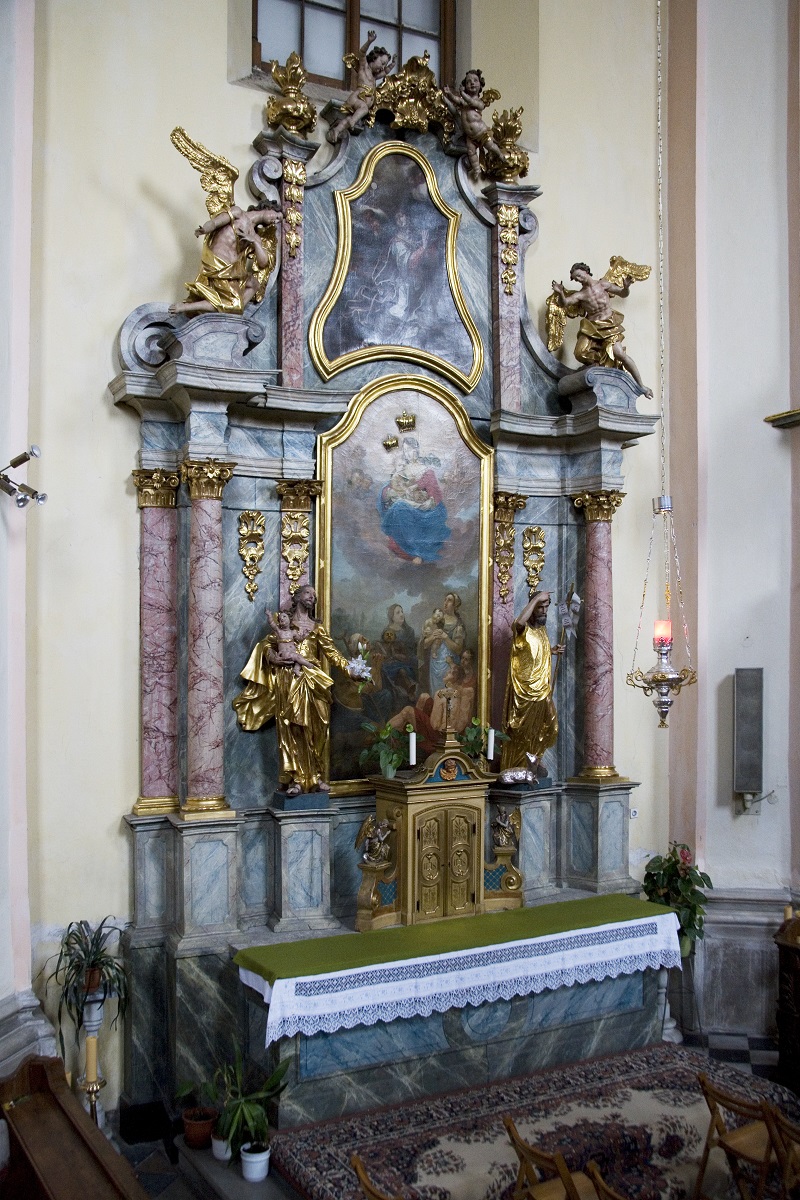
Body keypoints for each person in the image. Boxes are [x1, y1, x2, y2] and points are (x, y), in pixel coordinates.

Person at [233, 585, 360, 796]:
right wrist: (273, 657)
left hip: (313, 679)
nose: (312, 597)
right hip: (289, 679)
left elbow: (333, 654)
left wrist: (351, 671)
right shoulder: (284, 623)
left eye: (315, 595)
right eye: (308, 593)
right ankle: (296, 779)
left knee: (319, 727)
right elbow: (266, 646)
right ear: (298, 596)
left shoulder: (317, 628)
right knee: (292, 728)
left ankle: (316, 776)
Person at [550, 263, 653, 397]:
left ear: (586, 272)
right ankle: (600, 363)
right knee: (579, 353)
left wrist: (626, 287)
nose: (579, 280)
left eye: (579, 276)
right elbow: (564, 303)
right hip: (592, 327)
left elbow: (623, 294)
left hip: (608, 324)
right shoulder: (581, 294)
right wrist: (560, 293)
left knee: (620, 354)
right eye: (576, 279)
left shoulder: (603, 284)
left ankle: (642, 386)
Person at [169, 204, 281, 316]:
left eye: (278, 221)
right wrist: (204, 229)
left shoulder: (254, 236)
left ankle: (236, 312)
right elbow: (215, 223)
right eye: (277, 217)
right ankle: (186, 307)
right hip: (219, 263)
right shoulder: (238, 213)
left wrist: (255, 242)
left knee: (254, 284)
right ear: (269, 208)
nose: (275, 221)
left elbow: (263, 262)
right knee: (233, 305)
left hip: (233, 270)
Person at [500, 591, 563, 771]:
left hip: (542, 689)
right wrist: (536, 599)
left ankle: (534, 758)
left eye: (546, 607)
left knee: (550, 726)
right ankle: (519, 766)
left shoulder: (542, 630)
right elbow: (518, 623)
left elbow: (533, 650)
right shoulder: (522, 629)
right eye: (539, 607)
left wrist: (551, 651)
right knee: (522, 731)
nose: (544, 611)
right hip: (524, 690)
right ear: (532, 607)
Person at [378, 437, 450, 564]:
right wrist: (388, 491)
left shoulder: (426, 470)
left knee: (400, 507)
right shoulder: (402, 468)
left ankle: (417, 552)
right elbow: (391, 484)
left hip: (425, 509)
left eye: (410, 449)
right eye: (405, 450)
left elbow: (435, 494)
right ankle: (411, 552)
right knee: (399, 507)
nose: (408, 453)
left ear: (416, 450)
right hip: (408, 505)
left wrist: (429, 502)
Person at [326, 31, 396, 144]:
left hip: (362, 103)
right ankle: (353, 121)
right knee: (363, 110)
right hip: (357, 98)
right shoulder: (364, 68)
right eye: (382, 63)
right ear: (374, 58)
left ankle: (337, 130)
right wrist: (369, 41)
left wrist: (393, 64)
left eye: (385, 65)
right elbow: (362, 53)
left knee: (349, 119)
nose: (383, 67)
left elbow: (386, 72)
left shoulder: (374, 76)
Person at [444, 69, 506, 181]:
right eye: (468, 82)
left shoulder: (480, 102)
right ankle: (477, 169)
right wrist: (449, 94)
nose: (472, 83)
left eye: (475, 81)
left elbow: (471, 102)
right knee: (471, 152)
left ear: (480, 85)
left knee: (490, 146)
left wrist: (462, 93)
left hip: (481, 132)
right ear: (465, 85)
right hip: (470, 137)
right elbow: (457, 100)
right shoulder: (463, 102)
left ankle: (500, 154)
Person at [266, 610, 314, 676]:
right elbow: (272, 623)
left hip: (293, 653)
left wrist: (304, 635)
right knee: (298, 658)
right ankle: (308, 664)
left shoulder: (293, 632)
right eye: (280, 619)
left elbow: (300, 639)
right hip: (285, 654)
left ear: (290, 619)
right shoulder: (279, 632)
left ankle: (296, 669)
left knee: (299, 658)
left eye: (284, 616)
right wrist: (269, 616)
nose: (281, 618)